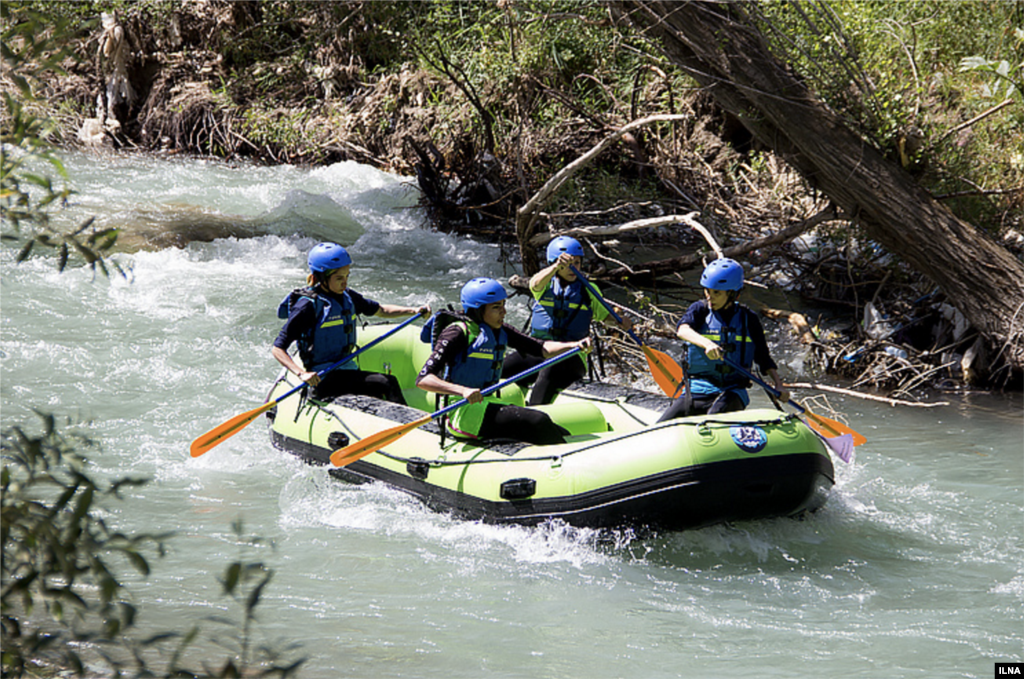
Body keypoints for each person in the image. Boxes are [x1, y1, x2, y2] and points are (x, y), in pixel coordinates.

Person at [416, 277, 589, 445]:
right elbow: (423, 380)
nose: (504, 312)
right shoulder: (456, 333)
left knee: (559, 431)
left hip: (487, 403)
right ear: (477, 310)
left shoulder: (500, 330)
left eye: (503, 305)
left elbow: (542, 348)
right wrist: (462, 390)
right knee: (538, 421)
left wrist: (574, 345)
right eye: (496, 307)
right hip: (461, 410)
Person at [272, 242, 430, 403]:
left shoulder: (348, 297)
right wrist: (301, 373)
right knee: (387, 382)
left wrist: (413, 310)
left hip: (347, 369)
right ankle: (406, 427)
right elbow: (278, 348)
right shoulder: (307, 306)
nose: (345, 282)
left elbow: (381, 310)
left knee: (378, 390)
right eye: (339, 278)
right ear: (322, 278)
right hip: (323, 377)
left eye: (347, 276)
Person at [502, 236, 632, 405]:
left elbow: (604, 317)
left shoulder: (589, 290)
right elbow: (534, 284)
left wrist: (620, 321)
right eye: (568, 264)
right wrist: (556, 266)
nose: (573, 268)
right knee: (502, 368)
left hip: (572, 355)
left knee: (550, 367)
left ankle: (535, 414)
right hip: (540, 349)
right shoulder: (545, 286)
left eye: (577, 263)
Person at [658, 257, 789, 421]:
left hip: (733, 391)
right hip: (698, 388)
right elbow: (682, 330)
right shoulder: (700, 309)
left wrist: (778, 385)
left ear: (732, 294)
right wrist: (707, 343)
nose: (710, 297)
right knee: (662, 424)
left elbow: (764, 358)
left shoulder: (749, 319)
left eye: (716, 293)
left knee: (712, 421)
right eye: (707, 291)